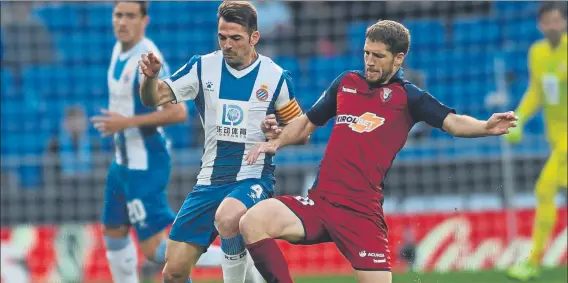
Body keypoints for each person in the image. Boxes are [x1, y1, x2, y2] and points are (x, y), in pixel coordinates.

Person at [239, 20, 518, 283]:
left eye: (379, 56)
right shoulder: (346, 83)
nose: (369, 61)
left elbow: (453, 122)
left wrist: (485, 126)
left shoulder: (410, 97)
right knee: (253, 220)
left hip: (361, 214)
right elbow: (306, 123)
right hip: (321, 203)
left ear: (399, 58)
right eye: (366, 53)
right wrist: (276, 142)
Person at [138, 2, 303, 283]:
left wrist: (277, 134)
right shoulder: (202, 68)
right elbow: (153, 99)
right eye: (222, 37)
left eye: (235, 38)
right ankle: (250, 273)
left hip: (252, 178)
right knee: (173, 272)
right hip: (208, 182)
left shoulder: (275, 77)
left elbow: (301, 130)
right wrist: (150, 78)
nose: (227, 45)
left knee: (228, 217)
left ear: (254, 38)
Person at [91, 2, 223, 283]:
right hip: (122, 163)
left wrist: (124, 124)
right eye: (118, 15)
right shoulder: (118, 50)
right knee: (113, 231)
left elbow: (178, 112)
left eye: (130, 16)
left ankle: (230, 257)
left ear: (144, 20)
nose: (122, 22)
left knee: (155, 250)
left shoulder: (147, 59)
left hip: (146, 162)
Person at [506, 3, 567, 281]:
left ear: (563, 22)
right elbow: (536, 92)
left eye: (557, 21)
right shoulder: (537, 53)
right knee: (547, 193)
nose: (552, 26)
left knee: (544, 189)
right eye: (547, 22)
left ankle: (532, 261)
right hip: (556, 141)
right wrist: (518, 117)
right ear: (541, 25)